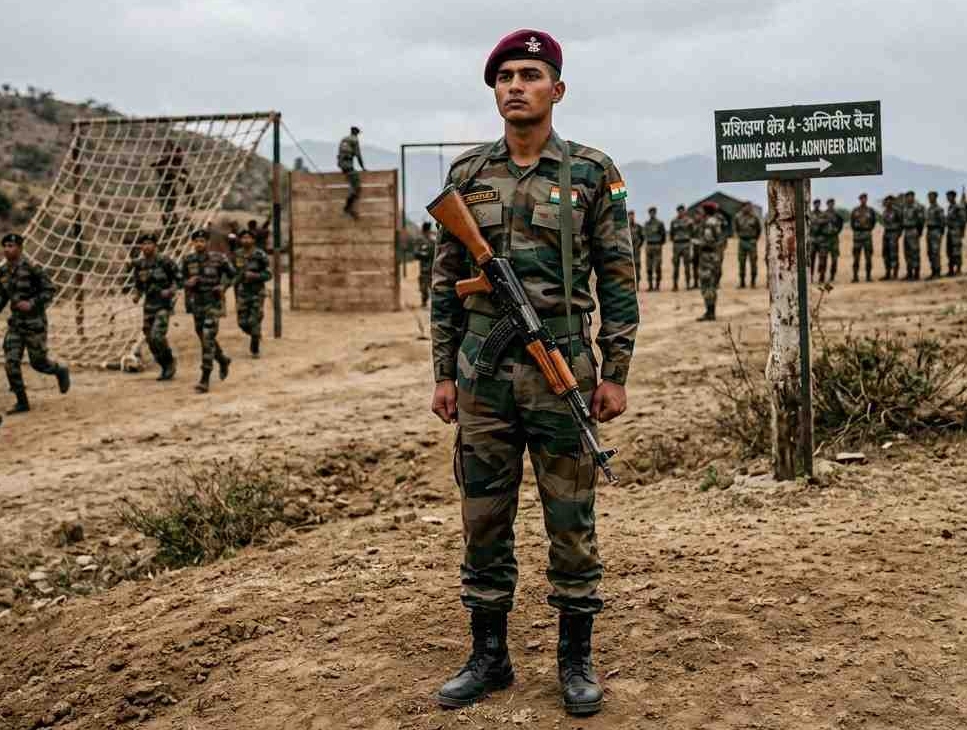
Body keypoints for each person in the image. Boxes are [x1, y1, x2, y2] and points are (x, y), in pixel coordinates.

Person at [430, 29, 638, 717]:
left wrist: (615, 371)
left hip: (561, 367)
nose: (515, 86)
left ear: (557, 89)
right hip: (482, 373)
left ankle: (574, 659)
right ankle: (488, 656)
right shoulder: (467, 174)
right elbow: (444, 282)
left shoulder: (591, 172)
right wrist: (443, 372)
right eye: (505, 77)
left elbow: (618, 278)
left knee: (570, 519)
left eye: (530, 74)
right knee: (483, 518)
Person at [0, 232, 70, 413]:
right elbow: (2, 297)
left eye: (11, 246)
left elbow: (50, 290)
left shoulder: (32, 268)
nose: (7, 249)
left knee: (38, 363)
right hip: (16, 324)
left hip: (34, 323)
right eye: (5, 246)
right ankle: (22, 402)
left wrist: (32, 303)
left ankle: (60, 371)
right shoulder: (3, 271)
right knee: (11, 362)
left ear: (20, 248)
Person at [182, 229, 235, 393]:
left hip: (214, 303)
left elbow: (233, 275)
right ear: (193, 243)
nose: (199, 244)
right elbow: (179, 279)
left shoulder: (219, 258)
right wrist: (187, 283)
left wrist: (223, 285)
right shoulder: (188, 260)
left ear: (207, 243)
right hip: (197, 304)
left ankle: (205, 378)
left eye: (202, 241)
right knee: (205, 338)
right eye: (196, 241)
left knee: (207, 337)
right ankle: (223, 359)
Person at [131, 232, 181, 380]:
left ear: (155, 245)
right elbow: (138, 285)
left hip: (163, 305)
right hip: (149, 306)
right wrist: (136, 295)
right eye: (144, 244)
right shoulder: (140, 265)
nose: (146, 247)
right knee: (150, 340)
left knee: (157, 336)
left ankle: (170, 362)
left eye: (149, 244)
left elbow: (179, 279)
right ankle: (164, 366)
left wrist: (170, 291)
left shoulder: (165, 261)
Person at [233, 228, 271, 358]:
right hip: (242, 293)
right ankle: (256, 333)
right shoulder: (237, 254)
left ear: (253, 240)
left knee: (254, 321)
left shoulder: (260, 254)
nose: (246, 240)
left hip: (257, 293)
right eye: (243, 238)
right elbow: (233, 273)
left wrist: (256, 276)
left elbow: (268, 274)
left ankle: (255, 349)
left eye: (248, 238)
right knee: (242, 323)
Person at [150, 140, 196, 229]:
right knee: (168, 204)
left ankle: (175, 221)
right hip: (165, 185)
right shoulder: (164, 163)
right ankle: (170, 223)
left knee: (173, 202)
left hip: (171, 186)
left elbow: (186, 181)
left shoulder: (178, 163)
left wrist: (192, 200)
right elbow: (158, 166)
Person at [696, 201, 724, 321]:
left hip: (707, 258)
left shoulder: (708, 223)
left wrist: (697, 243)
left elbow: (708, 241)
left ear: (706, 211)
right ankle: (710, 311)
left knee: (707, 285)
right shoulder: (716, 221)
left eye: (702, 210)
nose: (700, 212)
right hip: (714, 256)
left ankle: (710, 312)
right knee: (711, 284)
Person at [337, 126, 366, 219]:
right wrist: (363, 167)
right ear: (356, 133)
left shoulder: (344, 139)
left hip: (342, 164)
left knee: (352, 183)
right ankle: (347, 209)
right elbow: (358, 155)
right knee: (357, 186)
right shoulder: (354, 140)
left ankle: (349, 209)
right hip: (348, 165)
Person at [733, 201, 762, 288]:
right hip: (742, 242)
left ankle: (753, 282)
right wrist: (739, 236)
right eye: (747, 206)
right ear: (743, 207)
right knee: (741, 262)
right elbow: (736, 228)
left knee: (753, 262)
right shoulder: (737, 217)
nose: (749, 208)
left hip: (752, 242)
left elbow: (759, 229)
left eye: (750, 207)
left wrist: (755, 239)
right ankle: (742, 282)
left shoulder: (754, 217)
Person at [849, 193, 877, 283]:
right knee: (856, 258)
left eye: (865, 198)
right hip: (857, 236)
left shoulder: (870, 210)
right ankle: (855, 276)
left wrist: (868, 229)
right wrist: (857, 229)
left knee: (868, 257)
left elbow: (873, 222)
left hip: (867, 236)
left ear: (866, 199)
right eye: (861, 199)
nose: (863, 200)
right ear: (859, 200)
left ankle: (868, 276)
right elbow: (852, 223)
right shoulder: (855, 210)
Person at [669, 204, 693, 291]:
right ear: (677, 211)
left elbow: (692, 232)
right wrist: (675, 240)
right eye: (679, 211)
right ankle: (675, 285)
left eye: (682, 210)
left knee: (687, 266)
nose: (681, 212)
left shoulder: (689, 221)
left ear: (684, 211)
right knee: (676, 266)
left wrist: (688, 239)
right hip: (677, 245)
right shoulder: (673, 221)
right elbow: (671, 233)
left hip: (686, 244)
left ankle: (688, 284)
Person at [901, 190, 925, 280]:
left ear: (913, 197)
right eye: (907, 197)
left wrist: (919, 232)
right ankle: (909, 273)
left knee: (914, 253)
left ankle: (916, 274)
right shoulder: (905, 207)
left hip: (913, 231)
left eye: (910, 196)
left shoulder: (917, 207)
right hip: (906, 232)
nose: (908, 198)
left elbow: (921, 221)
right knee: (907, 253)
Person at [412, 221, 436, 307]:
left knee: (433, 287)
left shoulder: (433, 241)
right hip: (424, 269)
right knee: (423, 288)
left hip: (433, 269)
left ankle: (434, 303)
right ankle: (424, 302)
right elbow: (416, 253)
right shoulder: (420, 241)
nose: (428, 233)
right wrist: (425, 254)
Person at [643, 206, 666, 291]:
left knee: (657, 267)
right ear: (649, 213)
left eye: (653, 212)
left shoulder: (660, 223)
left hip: (657, 246)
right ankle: (650, 286)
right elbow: (644, 235)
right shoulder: (646, 224)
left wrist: (659, 243)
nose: (652, 214)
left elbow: (663, 235)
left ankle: (657, 286)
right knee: (649, 267)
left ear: (655, 213)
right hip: (649, 246)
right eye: (650, 212)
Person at [924, 191, 946, 280]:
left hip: (936, 231)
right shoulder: (929, 208)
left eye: (931, 197)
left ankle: (937, 272)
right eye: (929, 197)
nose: (930, 198)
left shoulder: (939, 209)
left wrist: (940, 233)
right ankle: (933, 272)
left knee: (935, 252)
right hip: (929, 231)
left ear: (935, 197)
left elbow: (942, 222)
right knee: (930, 252)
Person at [880, 195, 903, 280]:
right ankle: (887, 273)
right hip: (886, 233)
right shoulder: (884, 212)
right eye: (886, 200)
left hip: (894, 234)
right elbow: (883, 222)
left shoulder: (896, 211)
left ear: (892, 202)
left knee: (894, 254)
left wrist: (898, 234)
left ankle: (895, 274)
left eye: (890, 200)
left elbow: (901, 223)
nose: (888, 202)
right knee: (885, 254)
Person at [945, 190, 965, 276]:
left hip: (956, 232)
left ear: (954, 197)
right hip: (950, 231)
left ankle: (958, 270)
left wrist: (961, 231)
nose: (948, 198)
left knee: (956, 251)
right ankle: (951, 270)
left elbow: (963, 220)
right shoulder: (950, 207)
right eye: (947, 196)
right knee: (949, 251)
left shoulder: (958, 207)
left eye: (949, 196)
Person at [824, 199, 844, 282]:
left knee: (834, 258)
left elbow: (841, 223)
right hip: (825, 239)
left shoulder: (837, 215)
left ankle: (832, 275)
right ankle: (822, 275)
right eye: (829, 204)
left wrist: (837, 231)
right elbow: (818, 225)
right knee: (823, 258)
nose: (831, 205)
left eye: (832, 204)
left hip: (834, 239)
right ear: (827, 204)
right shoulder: (823, 214)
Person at [627, 210, 644, 289]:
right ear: (628, 217)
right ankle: (629, 285)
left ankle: (637, 284)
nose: (631, 217)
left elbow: (642, 238)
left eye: (632, 215)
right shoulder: (625, 227)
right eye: (630, 215)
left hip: (636, 250)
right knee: (627, 267)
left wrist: (638, 246)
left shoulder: (638, 227)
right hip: (627, 251)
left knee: (637, 267)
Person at [808, 199, 824, 281]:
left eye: (818, 204)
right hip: (812, 239)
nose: (817, 205)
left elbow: (825, 226)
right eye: (816, 204)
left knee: (822, 259)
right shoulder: (810, 214)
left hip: (821, 240)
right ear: (814, 204)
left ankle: (821, 276)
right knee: (811, 259)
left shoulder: (823, 214)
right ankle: (811, 276)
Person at [689, 206, 703, 289]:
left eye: (699, 214)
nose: (697, 216)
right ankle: (695, 283)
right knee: (695, 266)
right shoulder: (692, 225)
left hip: (703, 248)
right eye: (696, 214)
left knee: (703, 267)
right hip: (694, 248)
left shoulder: (705, 224)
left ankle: (703, 283)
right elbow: (690, 235)